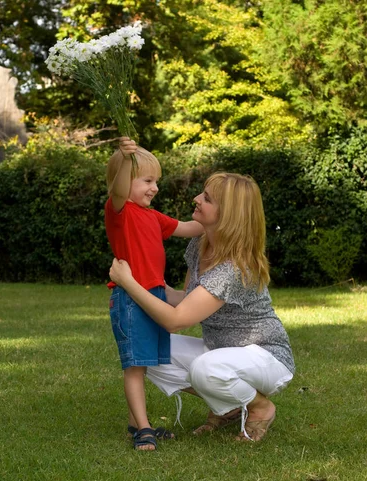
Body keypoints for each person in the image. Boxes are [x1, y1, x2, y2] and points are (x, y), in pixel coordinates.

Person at [109, 172, 295, 443]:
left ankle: (259, 406)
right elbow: (186, 299)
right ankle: (230, 405)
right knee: (147, 351)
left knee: (206, 369)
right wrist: (141, 284)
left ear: (228, 214)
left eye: (206, 199)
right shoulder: (200, 243)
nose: (196, 199)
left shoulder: (233, 269)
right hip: (220, 350)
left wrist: (128, 282)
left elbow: (176, 320)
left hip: (265, 356)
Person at [105, 137, 204, 451]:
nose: (155, 188)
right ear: (126, 181)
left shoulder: (153, 216)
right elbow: (119, 189)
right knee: (134, 366)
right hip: (132, 299)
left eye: (156, 181)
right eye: (147, 181)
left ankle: (137, 421)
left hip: (154, 295)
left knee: (144, 363)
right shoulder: (120, 211)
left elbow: (189, 227)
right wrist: (124, 157)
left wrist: (220, 218)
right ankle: (143, 429)